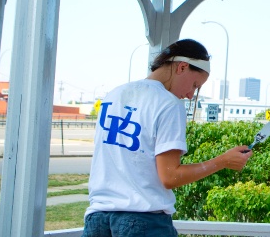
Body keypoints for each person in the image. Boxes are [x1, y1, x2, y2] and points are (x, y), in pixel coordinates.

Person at [83, 39, 253, 237]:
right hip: (143, 221)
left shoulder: (113, 95)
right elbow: (170, 176)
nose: (190, 95)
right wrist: (222, 161)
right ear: (182, 67)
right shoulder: (168, 103)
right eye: (195, 85)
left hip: (97, 220)